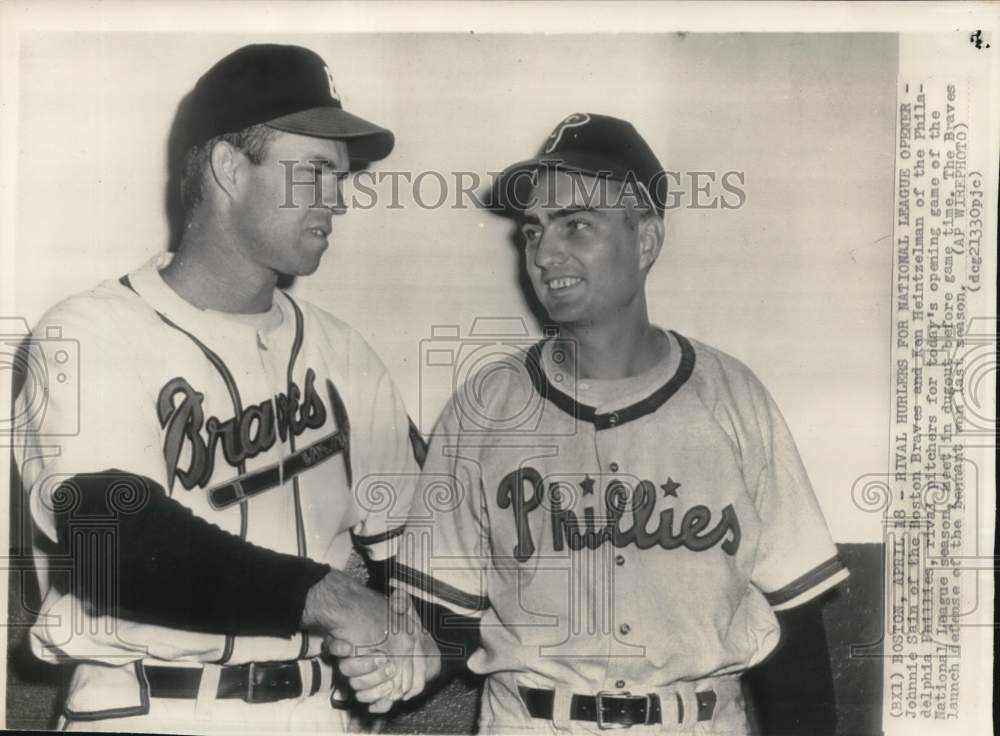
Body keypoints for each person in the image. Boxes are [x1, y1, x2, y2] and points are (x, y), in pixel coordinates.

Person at [335, 113, 849, 734]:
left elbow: (793, 622)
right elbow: (445, 616)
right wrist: (403, 654)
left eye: (577, 225)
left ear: (646, 240)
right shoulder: (486, 406)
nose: (545, 254)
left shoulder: (733, 398)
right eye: (533, 231)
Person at [12, 43, 438, 734]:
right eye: (315, 172)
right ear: (227, 168)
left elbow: (422, 563)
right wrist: (334, 600)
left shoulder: (346, 353)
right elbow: (108, 538)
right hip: (150, 709)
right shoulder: (90, 333)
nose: (337, 198)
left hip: (320, 714)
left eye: (341, 176)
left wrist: (409, 649)